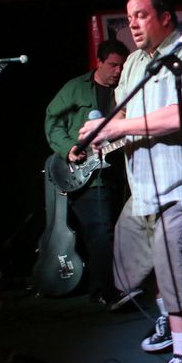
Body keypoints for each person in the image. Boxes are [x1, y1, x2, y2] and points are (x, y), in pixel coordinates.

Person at [78, 0, 182, 363]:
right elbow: (122, 112)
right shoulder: (136, 63)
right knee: (131, 266)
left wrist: (118, 128)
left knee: (174, 268)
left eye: (140, 15)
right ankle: (168, 322)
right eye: (128, 18)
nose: (133, 24)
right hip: (143, 189)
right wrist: (100, 132)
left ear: (165, 17)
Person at [44, 38, 129, 306]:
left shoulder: (125, 91)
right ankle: (108, 291)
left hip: (116, 172)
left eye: (122, 66)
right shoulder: (76, 88)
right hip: (85, 174)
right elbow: (52, 119)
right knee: (101, 232)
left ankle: (100, 288)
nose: (118, 71)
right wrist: (68, 148)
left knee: (112, 231)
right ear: (99, 62)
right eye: (113, 65)